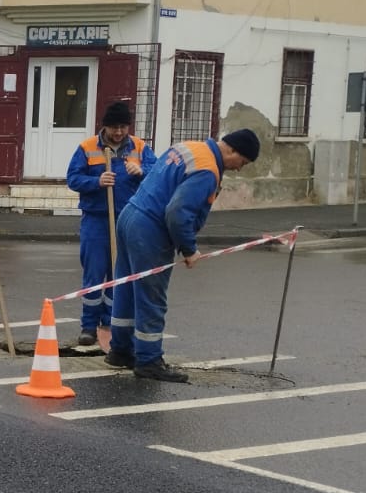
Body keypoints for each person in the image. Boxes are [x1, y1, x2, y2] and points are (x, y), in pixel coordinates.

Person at [106, 128, 261, 382]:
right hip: (150, 229)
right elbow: (177, 213)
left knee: (126, 287)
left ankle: (120, 350)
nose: (239, 169)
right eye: (242, 162)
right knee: (151, 296)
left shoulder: (188, 147)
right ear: (231, 150)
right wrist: (189, 249)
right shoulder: (207, 170)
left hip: (130, 215)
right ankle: (148, 361)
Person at [64, 100, 154, 346]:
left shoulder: (139, 147)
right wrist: (96, 182)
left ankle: (110, 322)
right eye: (114, 127)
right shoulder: (88, 147)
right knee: (94, 274)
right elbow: (72, 179)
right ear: (105, 127)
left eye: (123, 127)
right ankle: (88, 326)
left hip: (127, 219)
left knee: (120, 275)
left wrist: (141, 171)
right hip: (96, 219)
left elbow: (157, 172)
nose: (118, 132)